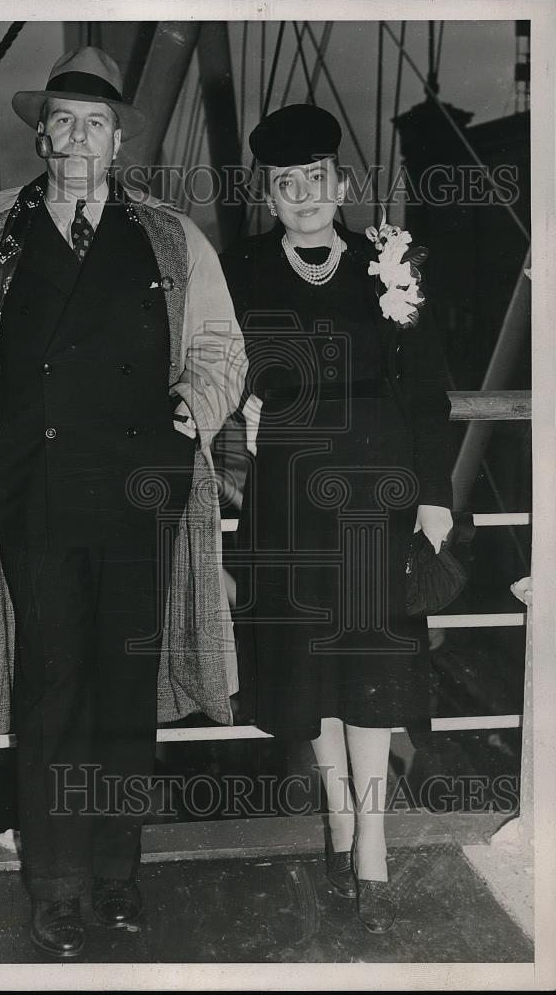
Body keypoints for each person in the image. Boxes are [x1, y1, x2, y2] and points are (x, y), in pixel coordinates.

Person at [0, 46, 246, 958]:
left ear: (118, 137)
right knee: (53, 687)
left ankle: (118, 876)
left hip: (143, 487)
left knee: (125, 691)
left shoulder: (174, 238)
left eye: (96, 122)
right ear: (43, 134)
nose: (79, 138)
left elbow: (221, 346)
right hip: (36, 492)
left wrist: (193, 418)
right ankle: (55, 886)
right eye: (63, 120)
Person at [220, 104, 454, 934]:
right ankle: (339, 819)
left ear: (341, 184)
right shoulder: (243, 269)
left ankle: (374, 843)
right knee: (308, 662)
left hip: (380, 487)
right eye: (285, 185)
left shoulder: (390, 261)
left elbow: (428, 389)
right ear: (271, 196)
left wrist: (433, 494)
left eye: (316, 180)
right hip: (289, 485)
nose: (303, 196)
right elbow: (217, 367)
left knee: (371, 666)